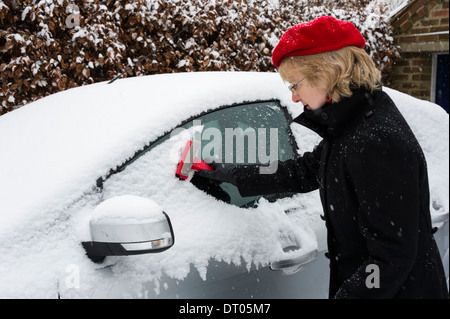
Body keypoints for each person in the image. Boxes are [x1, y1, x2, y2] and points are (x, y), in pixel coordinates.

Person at [196, 16, 449, 299]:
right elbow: (303, 170)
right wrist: (235, 173)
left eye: (294, 84)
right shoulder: (352, 123)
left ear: (326, 72)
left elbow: (390, 258)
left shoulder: (375, 140)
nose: (293, 97)